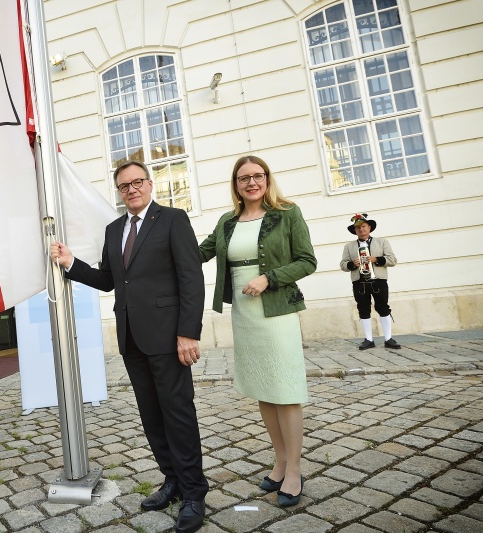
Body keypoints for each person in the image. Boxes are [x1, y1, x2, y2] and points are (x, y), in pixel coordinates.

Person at [51, 160, 207, 533]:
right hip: (132, 339)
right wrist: (72, 263)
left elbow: (191, 276)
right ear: (119, 192)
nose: (132, 189)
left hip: (169, 339)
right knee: (151, 416)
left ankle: (194, 493)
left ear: (150, 184)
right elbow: (108, 280)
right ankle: (171, 480)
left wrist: (188, 332)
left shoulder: (172, 219)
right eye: (124, 185)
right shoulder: (114, 229)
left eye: (138, 182)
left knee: (178, 414)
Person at [199, 155, 316, 508]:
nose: (251, 182)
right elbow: (198, 252)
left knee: (286, 388)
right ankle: (279, 462)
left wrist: (270, 278)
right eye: (243, 178)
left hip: (277, 312)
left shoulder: (287, 213)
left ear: (267, 179)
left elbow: (307, 260)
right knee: (264, 389)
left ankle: (294, 469)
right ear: (235, 184)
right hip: (245, 316)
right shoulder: (226, 222)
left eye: (257, 175)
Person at [340, 213, 401, 350]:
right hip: (359, 282)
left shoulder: (382, 242)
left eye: (363, 226)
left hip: (378, 280)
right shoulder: (349, 247)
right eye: (358, 228)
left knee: (383, 307)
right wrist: (351, 264)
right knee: (363, 309)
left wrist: (377, 259)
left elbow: (393, 260)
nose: (361, 230)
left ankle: (388, 338)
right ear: (354, 231)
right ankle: (368, 339)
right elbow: (343, 265)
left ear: (369, 228)